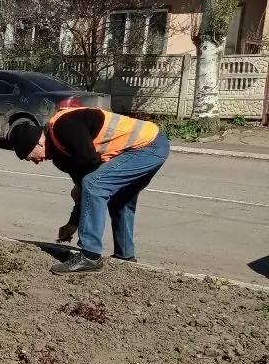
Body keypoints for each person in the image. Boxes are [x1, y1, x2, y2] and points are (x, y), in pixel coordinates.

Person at [11, 104, 170, 274]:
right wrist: (73, 223)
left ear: (38, 143)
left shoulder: (63, 127)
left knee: (95, 184)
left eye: (31, 158)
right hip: (144, 148)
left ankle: (90, 256)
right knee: (119, 199)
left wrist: (81, 188)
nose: (36, 162)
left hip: (149, 146)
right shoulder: (60, 157)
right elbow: (84, 189)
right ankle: (125, 257)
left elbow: (91, 175)